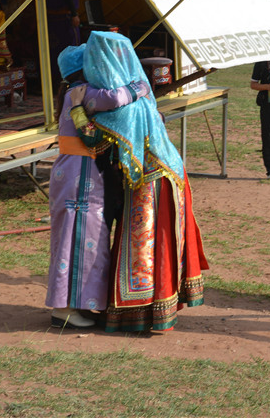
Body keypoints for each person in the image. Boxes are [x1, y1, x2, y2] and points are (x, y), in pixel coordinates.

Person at [82, 31, 208, 333]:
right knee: (159, 247)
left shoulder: (120, 103)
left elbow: (92, 133)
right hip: (171, 175)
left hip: (152, 183)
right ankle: (157, 311)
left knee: (145, 248)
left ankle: (139, 315)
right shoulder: (139, 90)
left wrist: (80, 105)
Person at [45, 43, 151, 328]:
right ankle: (65, 309)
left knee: (77, 238)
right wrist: (140, 84)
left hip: (75, 173)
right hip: (81, 177)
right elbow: (116, 98)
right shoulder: (85, 94)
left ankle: (71, 304)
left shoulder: (73, 93)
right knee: (80, 238)